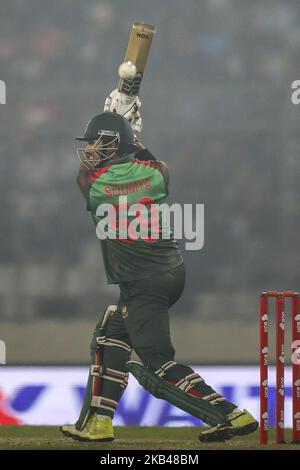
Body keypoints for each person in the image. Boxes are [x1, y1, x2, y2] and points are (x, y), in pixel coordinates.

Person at [60, 107, 258, 443]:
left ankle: (231, 415)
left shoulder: (97, 185)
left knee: (156, 364)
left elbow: (82, 176)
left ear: (112, 146)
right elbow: (156, 164)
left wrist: (114, 139)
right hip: (169, 272)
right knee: (111, 336)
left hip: (142, 283)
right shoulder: (155, 172)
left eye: (96, 143)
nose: (90, 149)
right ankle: (98, 423)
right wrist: (132, 139)